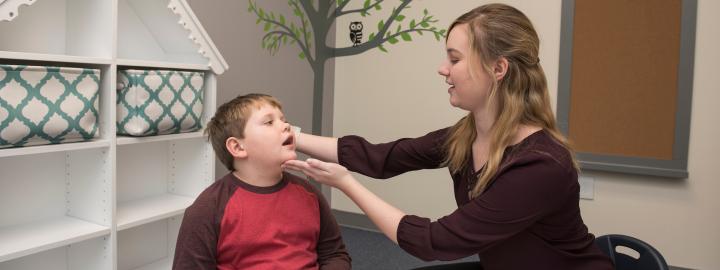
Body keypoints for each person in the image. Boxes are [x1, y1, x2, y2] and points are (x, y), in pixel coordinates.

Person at [282, 4, 614, 270]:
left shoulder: (541, 165)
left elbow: (434, 242)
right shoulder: (466, 136)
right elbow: (383, 157)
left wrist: (346, 184)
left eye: (455, 59)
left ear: (498, 69)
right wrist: (290, 137)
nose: (443, 69)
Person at [172, 93, 351, 270]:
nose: (287, 126)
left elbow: (335, 255)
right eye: (269, 122)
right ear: (238, 147)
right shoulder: (209, 207)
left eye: (284, 120)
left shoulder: (308, 193)